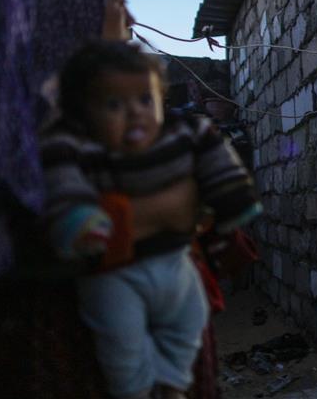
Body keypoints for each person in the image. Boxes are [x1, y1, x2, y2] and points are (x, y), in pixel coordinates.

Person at [40, 41, 262, 399]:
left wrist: (232, 199)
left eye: (146, 100)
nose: (134, 113)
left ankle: (173, 384)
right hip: (115, 274)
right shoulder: (81, 147)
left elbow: (213, 156)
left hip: (175, 263)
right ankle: (136, 391)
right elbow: (65, 182)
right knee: (120, 341)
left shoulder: (181, 134)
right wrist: (80, 220)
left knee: (190, 321)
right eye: (114, 104)